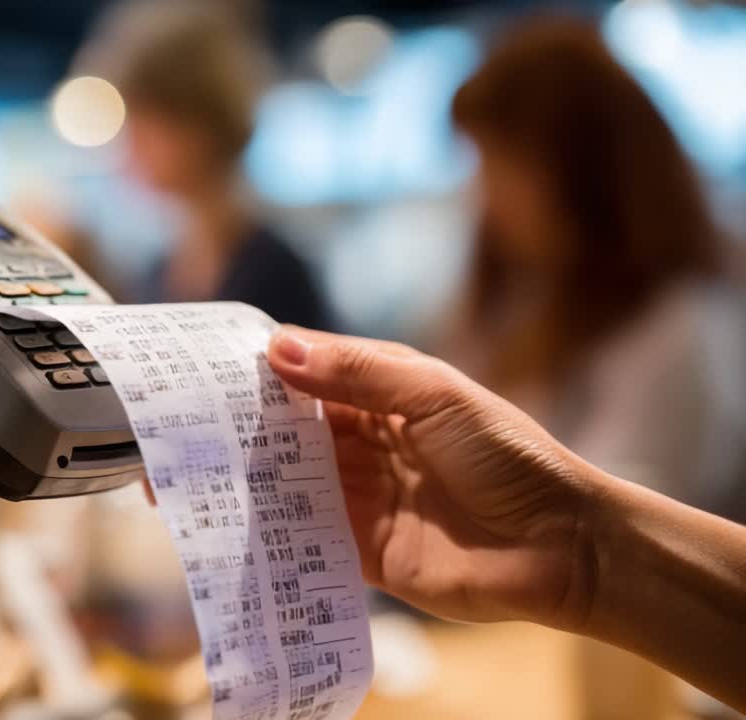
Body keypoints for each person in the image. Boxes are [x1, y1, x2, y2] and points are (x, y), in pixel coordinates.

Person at [262, 325, 746, 713]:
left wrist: (574, 542)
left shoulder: (675, 324)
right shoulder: (501, 297)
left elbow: (643, 466)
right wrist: (573, 544)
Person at [446, 18, 746, 520]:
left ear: (584, 175)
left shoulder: (679, 327)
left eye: (504, 168)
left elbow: (624, 525)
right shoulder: (521, 301)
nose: (486, 199)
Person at [76, 0, 337, 330]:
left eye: (143, 122)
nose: (127, 146)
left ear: (198, 124)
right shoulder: (159, 270)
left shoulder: (276, 274)